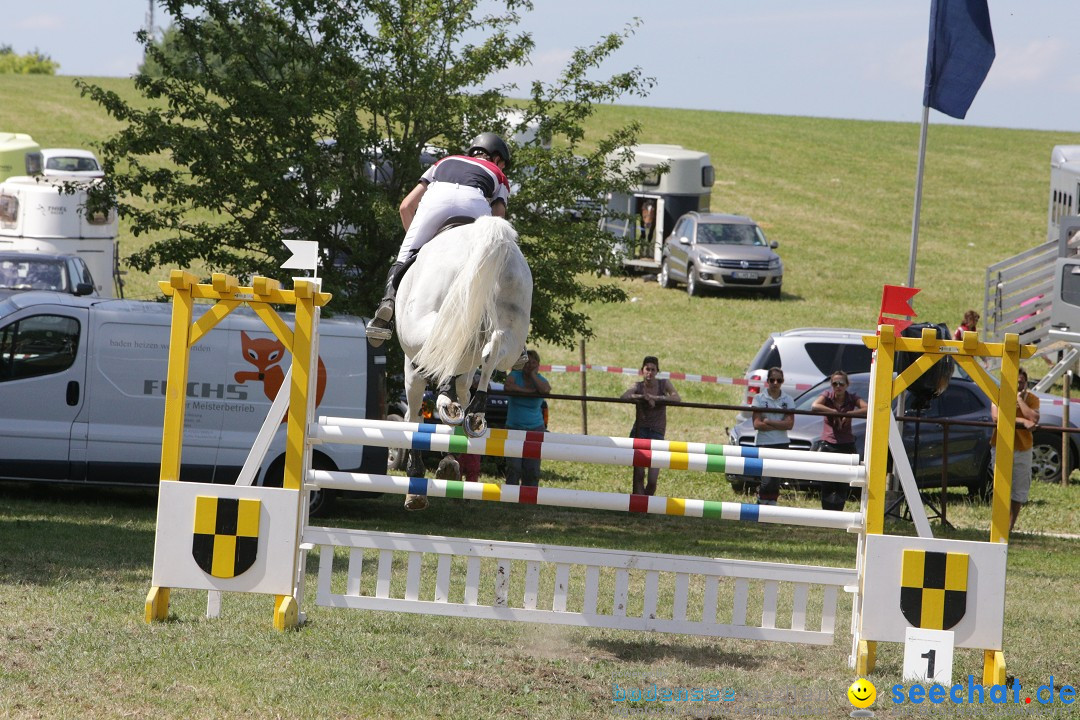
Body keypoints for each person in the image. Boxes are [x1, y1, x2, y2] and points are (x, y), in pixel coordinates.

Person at [365, 132, 513, 347]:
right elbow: (498, 219)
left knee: (403, 256)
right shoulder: (498, 173)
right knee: (491, 260)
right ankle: (500, 323)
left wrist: (418, 248)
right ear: (497, 158)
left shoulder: (443, 161)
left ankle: (386, 305)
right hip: (474, 202)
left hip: (435, 200)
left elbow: (406, 206)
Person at [621, 356, 681, 496]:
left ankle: (647, 504)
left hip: (657, 432)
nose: (650, 372)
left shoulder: (664, 384)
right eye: (647, 369)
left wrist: (656, 398)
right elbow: (624, 396)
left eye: (653, 369)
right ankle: (639, 508)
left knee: (653, 479)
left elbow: (676, 398)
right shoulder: (638, 386)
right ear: (642, 370)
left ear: (657, 371)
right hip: (640, 431)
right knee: (639, 475)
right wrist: (643, 397)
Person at [990, 368, 1040, 532]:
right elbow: (998, 417)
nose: (1018, 385)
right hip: (1001, 445)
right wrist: (1023, 422)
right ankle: (997, 526)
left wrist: (1020, 400)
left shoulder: (1032, 399)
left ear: (1026, 383)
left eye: (1021, 382)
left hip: (1023, 448)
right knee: (1000, 486)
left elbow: (1033, 418)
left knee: (1019, 488)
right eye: (1015, 382)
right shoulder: (999, 394)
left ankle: (1009, 527)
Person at [811, 370, 868, 510]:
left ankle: (838, 511)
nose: (838, 386)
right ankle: (827, 512)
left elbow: (867, 408)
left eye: (841, 383)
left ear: (847, 385)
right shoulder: (827, 396)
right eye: (835, 383)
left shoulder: (852, 398)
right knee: (827, 481)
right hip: (828, 443)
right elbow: (814, 406)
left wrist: (849, 414)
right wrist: (834, 412)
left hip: (846, 444)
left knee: (843, 482)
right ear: (831, 385)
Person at [504, 349, 550, 487]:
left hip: (535, 429)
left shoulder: (541, 380)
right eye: (527, 362)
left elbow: (546, 390)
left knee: (532, 467)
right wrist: (529, 392)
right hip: (514, 427)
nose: (529, 365)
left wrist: (532, 375)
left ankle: (529, 498)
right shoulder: (514, 375)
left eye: (533, 363)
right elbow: (508, 386)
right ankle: (510, 497)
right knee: (514, 466)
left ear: (538, 365)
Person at [752, 367, 795, 505]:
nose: (775, 383)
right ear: (767, 381)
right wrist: (780, 423)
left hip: (782, 442)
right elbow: (757, 424)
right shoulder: (758, 398)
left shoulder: (788, 399)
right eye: (772, 380)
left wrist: (769, 421)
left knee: (775, 478)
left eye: (779, 380)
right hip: (764, 442)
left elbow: (789, 425)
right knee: (767, 478)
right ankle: (762, 502)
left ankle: (771, 505)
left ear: (782, 381)